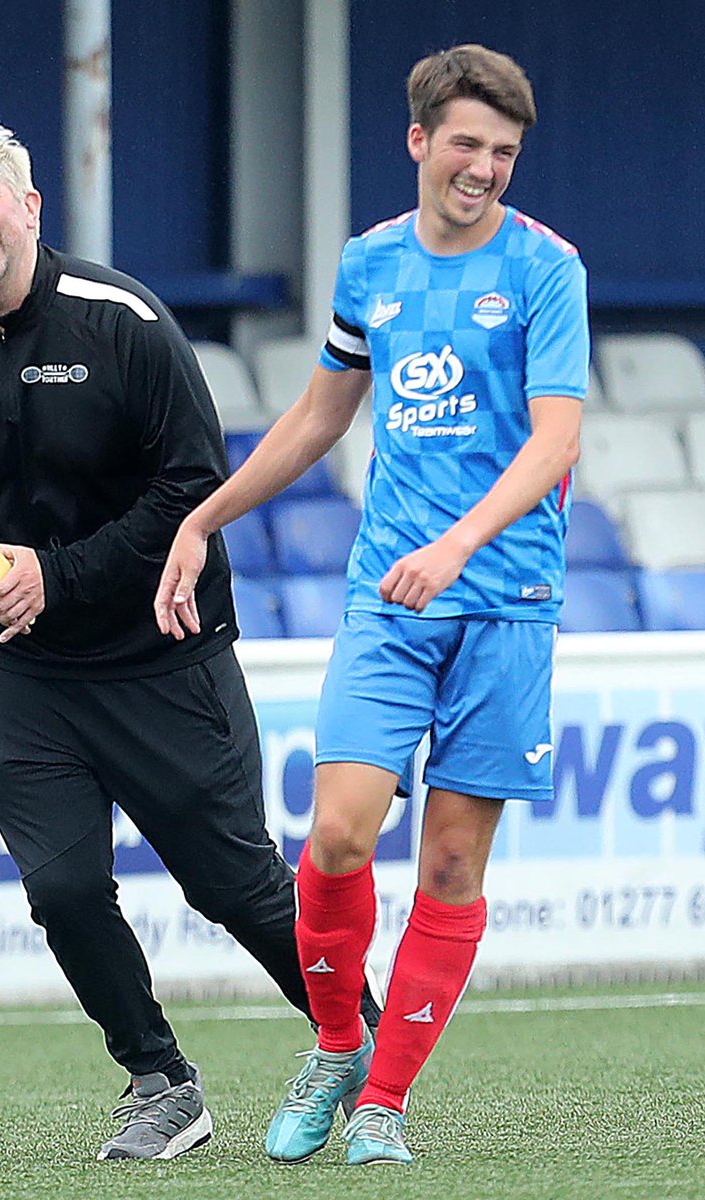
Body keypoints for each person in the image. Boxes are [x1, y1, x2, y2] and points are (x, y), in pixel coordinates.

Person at [0, 112, 380, 1163]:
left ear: (28, 206)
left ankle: (367, 1045)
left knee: (234, 886)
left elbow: (194, 484)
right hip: (25, 672)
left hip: (162, 651)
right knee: (60, 888)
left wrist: (57, 577)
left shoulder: (125, 320)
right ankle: (161, 1082)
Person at [155, 44, 589, 1166]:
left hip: (505, 601)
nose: (483, 168)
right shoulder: (369, 264)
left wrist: (457, 545)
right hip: (390, 600)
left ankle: (384, 1101)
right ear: (418, 141)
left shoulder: (547, 268)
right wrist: (205, 519)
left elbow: (556, 441)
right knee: (341, 833)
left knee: (448, 868)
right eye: (466, 144)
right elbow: (318, 416)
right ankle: (338, 1047)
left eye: (504, 152)